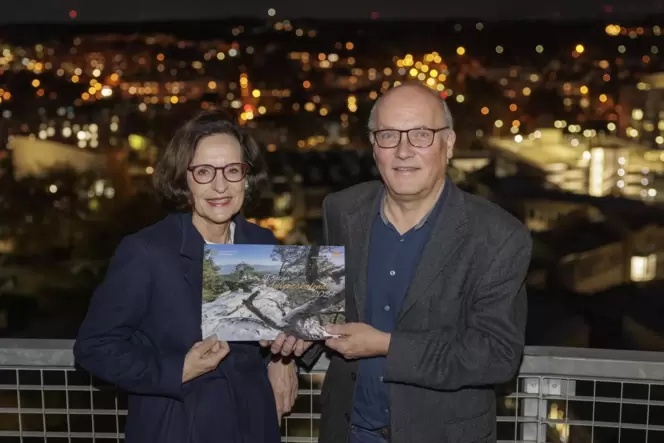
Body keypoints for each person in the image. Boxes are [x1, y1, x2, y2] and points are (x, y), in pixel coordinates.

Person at [309, 82, 533, 443]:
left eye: (421, 135)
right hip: (349, 430)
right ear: (372, 146)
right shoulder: (341, 210)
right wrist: (289, 349)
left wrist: (385, 345)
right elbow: (327, 304)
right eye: (388, 135)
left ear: (448, 144)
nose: (403, 151)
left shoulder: (499, 236)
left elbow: (496, 354)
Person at [74, 111, 306, 443]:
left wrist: (283, 359)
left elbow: (274, 328)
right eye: (204, 172)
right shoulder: (146, 252)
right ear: (184, 179)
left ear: (246, 177)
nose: (220, 185)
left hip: (254, 425)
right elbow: (93, 347)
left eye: (232, 170)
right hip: (178, 426)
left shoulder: (262, 243)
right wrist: (178, 369)